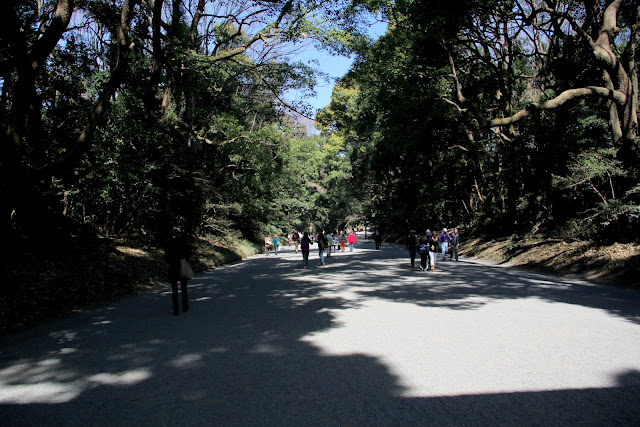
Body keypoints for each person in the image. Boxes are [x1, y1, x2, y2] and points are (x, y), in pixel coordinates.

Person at [164, 235, 192, 316]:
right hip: (182, 266)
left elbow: (166, 259)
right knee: (184, 288)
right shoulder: (184, 245)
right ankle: (185, 306)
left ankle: (176, 309)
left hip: (172, 268)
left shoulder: (169, 246)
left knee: (174, 290)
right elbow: (188, 256)